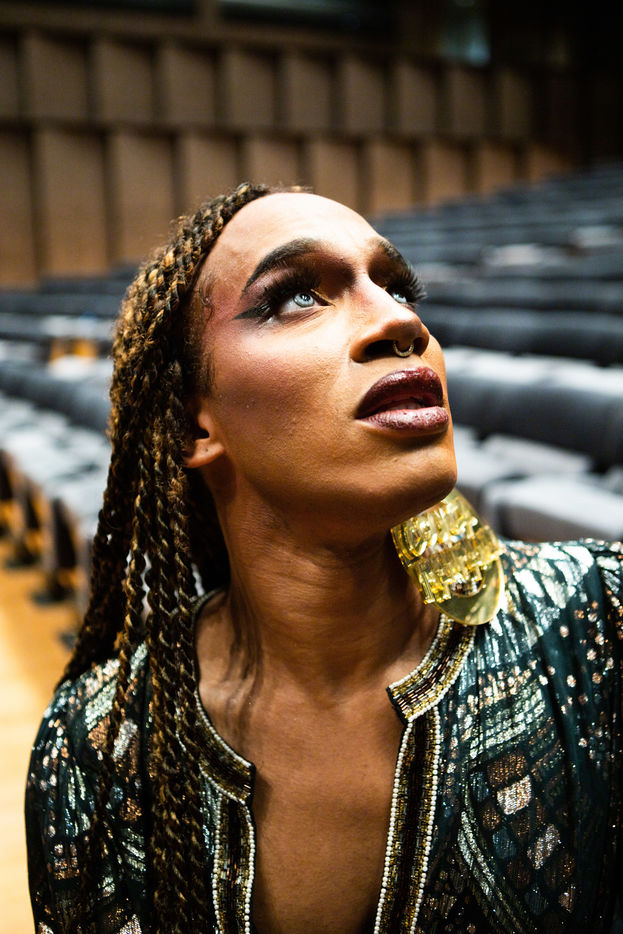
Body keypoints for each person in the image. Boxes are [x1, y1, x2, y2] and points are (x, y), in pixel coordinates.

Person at [25, 182, 623, 934]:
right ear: (191, 425)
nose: (401, 322)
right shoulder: (95, 747)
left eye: (398, 288)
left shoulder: (600, 619)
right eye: (296, 297)